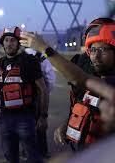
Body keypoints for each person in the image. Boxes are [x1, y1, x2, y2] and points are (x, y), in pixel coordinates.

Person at [20, 18, 115, 150]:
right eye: (92, 50)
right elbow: (84, 105)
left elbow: (80, 79)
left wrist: (43, 48)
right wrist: (68, 124)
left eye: (103, 49)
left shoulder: (107, 82)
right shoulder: (90, 69)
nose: (96, 56)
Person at [0, 26, 48, 163]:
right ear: (3, 43)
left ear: (19, 43)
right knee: (10, 156)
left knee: (33, 157)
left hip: (25, 117)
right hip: (5, 118)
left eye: (13, 40)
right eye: (6, 40)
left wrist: (43, 116)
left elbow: (43, 89)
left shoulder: (30, 61)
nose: (9, 43)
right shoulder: (0, 64)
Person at [23, 47, 55, 158]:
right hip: (38, 95)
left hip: (21, 97)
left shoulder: (18, 56)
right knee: (40, 123)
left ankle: (25, 152)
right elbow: (50, 77)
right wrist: (45, 93)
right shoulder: (40, 56)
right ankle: (43, 151)